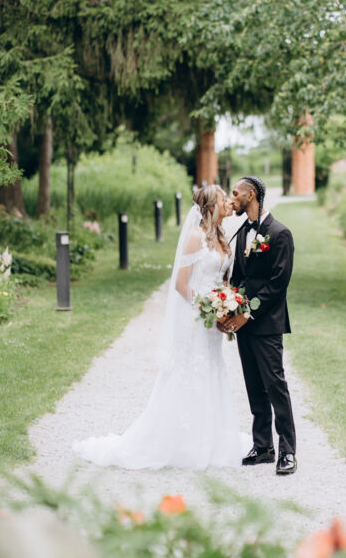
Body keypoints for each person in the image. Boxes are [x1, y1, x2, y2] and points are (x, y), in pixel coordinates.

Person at [73, 185, 243, 470]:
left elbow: (223, 278)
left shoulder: (223, 237)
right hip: (197, 319)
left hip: (214, 323)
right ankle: (180, 442)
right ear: (210, 207)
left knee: (213, 369)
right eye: (223, 199)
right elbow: (181, 284)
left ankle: (211, 438)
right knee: (190, 372)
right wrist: (208, 308)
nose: (228, 202)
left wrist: (226, 306)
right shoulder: (195, 237)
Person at [220, 176, 297, 476]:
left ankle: (288, 451)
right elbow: (239, 277)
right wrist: (228, 308)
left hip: (267, 324)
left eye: (236, 193)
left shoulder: (280, 234)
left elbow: (278, 284)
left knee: (275, 385)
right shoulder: (241, 232)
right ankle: (263, 446)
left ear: (251, 195)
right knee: (254, 385)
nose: (232, 198)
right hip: (244, 325)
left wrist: (248, 313)